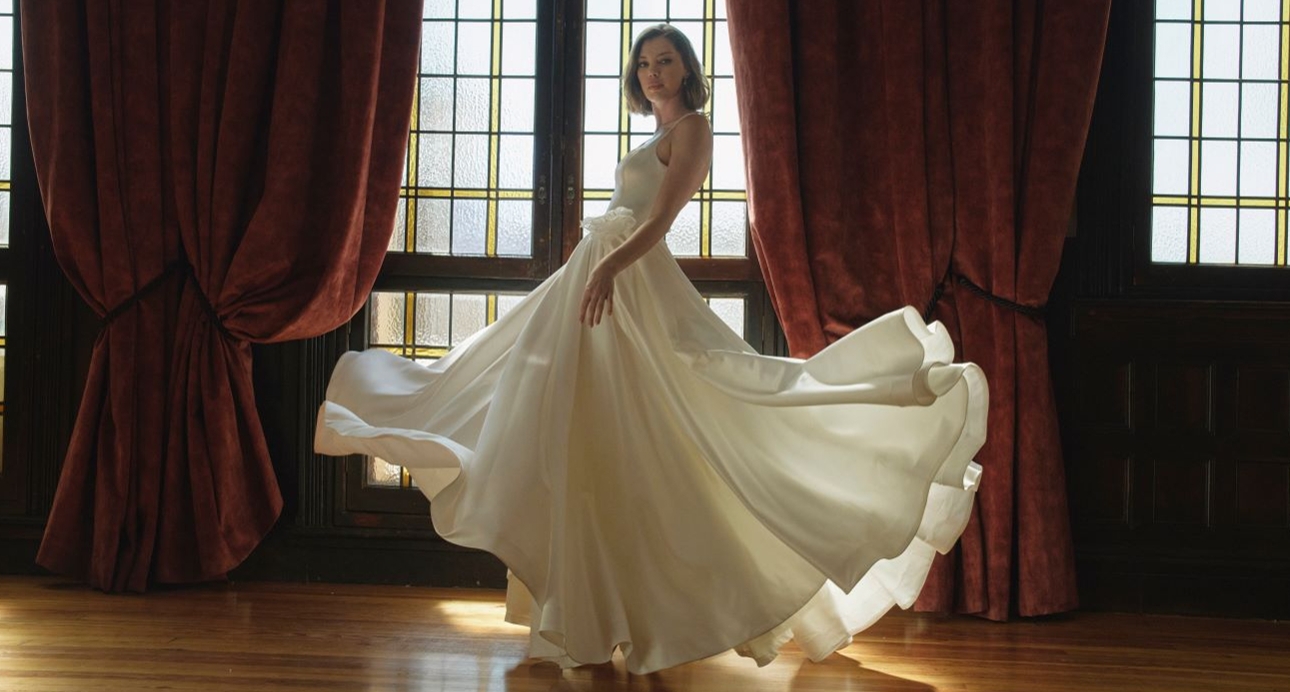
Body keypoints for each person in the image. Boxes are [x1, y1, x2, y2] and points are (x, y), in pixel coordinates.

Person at [315, 24, 987, 675]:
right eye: (644, 65)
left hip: (629, 289)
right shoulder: (657, 132)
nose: (654, 73)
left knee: (668, 428)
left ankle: (656, 607)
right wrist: (597, 267)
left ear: (688, 70)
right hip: (598, 285)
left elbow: (662, 219)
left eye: (665, 61)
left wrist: (609, 269)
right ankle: (590, 613)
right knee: (568, 428)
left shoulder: (692, 130)